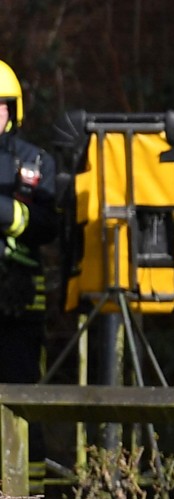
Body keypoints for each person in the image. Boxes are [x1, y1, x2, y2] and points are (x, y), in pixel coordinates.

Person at [0, 59, 59, 399]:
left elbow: (49, 226)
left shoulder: (35, 162)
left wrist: (9, 214)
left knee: (22, 397)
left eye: (0, 105)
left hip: (20, 301)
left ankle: (29, 456)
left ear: (13, 109)